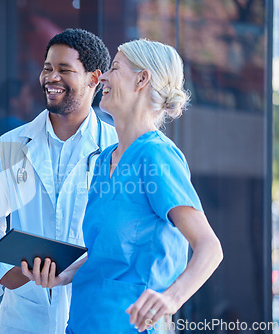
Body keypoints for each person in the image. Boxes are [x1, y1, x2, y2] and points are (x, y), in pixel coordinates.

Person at [21, 39, 223, 333]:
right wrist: (65, 273)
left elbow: (210, 247)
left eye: (114, 68)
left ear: (142, 79)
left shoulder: (156, 156)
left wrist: (170, 299)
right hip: (82, 323)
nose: (102, 76)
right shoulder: (104, 160)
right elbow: (106, 252)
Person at [0, 28, 118, 334]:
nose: (51, 77)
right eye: (47, 68)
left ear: (94, 78)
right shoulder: (11, 145)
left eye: (65, 69)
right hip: (23, 315)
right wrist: (6, 273)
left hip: (93, 311)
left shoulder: (117, 149)